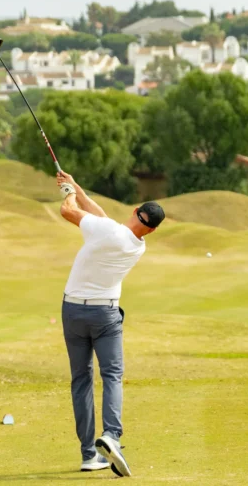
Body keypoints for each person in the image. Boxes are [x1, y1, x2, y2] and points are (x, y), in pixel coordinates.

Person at [56, 170, 165, 478]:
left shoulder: (107, 231)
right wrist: (75, 183)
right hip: (105, 315)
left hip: (73, 311)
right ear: (152, 229)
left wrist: (67, 192)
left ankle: (89, 454)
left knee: (81, 379)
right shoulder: (135, 244)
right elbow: (100, 216)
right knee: (113, 375)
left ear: (134, 211)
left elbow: (69, 210)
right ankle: (112, 436)